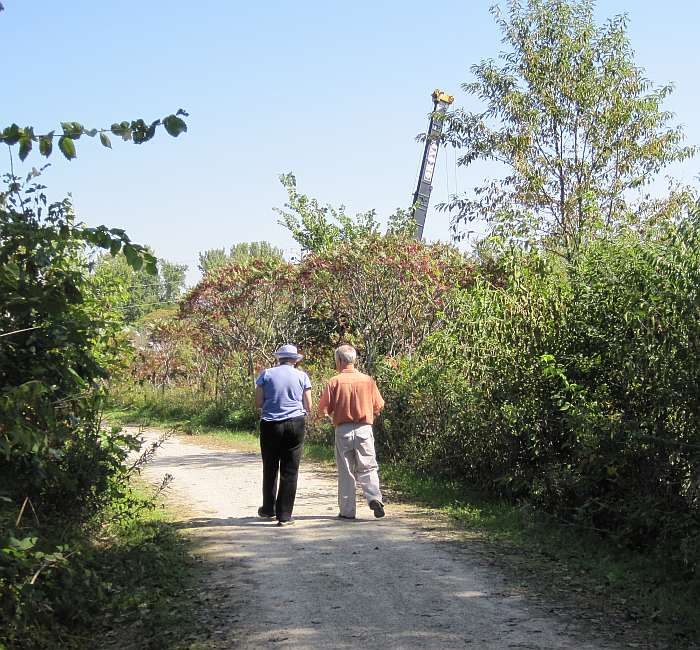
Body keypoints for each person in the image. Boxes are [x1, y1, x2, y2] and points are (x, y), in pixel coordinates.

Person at [318, 344, 386, 519]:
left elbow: (323, 410)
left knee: (346, 471)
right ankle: (374, 498)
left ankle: (347, 512)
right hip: (364, 428)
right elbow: (379, 406)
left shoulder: (334, 381)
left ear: (339, 361)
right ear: (354, 360)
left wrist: (331, 421)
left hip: (343, 430)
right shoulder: (368, 380)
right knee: (368, 466)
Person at [255, 344, 312, 526]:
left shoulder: (266, 374)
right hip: (295, 423)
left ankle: (268, 509)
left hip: (270, 424)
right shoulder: (302, 376)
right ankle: (285, 515)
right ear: (295, 360)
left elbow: (258, 402)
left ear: (278, 359)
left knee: (270, 466)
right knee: (290, 469)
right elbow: (308, 405)